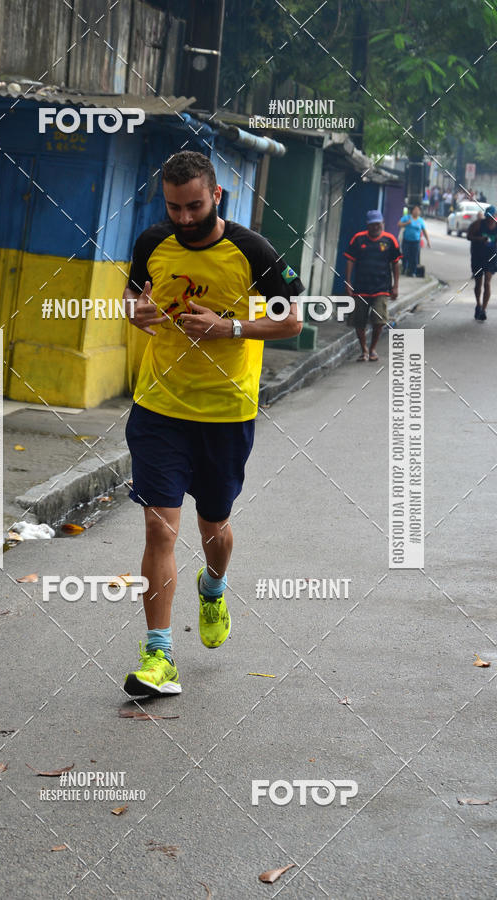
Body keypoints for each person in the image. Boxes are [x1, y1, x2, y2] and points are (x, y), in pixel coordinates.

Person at [121, 150, 304, 696]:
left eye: (194, 206)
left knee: (214, 528)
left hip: (225, 415)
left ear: (216, 195)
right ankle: (159, 657)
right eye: (174, 207)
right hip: (159, 407)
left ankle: (214, 586)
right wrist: (134, 311)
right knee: (159, 527)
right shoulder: (152, 242)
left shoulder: (253, 251)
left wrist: (230, 329)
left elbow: (292, 322)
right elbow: (130, 295)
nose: (183, 218)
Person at [344, 210, 401, 362]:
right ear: (367, 225)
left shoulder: (390, 240)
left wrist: (396, 286)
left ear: (382, 223)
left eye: (378, 224)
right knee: (358, 321)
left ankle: (373, 348)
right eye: (372, 224)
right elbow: (350, 260)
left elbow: (395, 263)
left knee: (379, 320)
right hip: (360, 288)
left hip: (381, 288)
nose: (376, 227)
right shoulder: (358, 239)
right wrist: (348, 282)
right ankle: (364, 349)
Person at [467, 204, 497, 321]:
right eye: (488, 217)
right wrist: (480, 239)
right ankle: (478, 305)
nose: (490, 219)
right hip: (478, 257)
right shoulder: (478, 224)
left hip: (491, 257)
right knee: (478, 283)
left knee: (487, 282)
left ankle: (483, 310)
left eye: (492, 217)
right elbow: (469, 236)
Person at [398, 205, 431, 276]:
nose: (416, 211)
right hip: (406, 241)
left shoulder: (420, 220)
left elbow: (424, 231)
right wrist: (406, 223)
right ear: (412, 211)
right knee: (405, 255)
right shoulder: (407, 218)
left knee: (414, 257)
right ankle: (404, 268)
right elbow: (399, 224)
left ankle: (412, 272)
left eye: (418, 210)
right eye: (415, 210)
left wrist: (428, 241)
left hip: (416, 242)